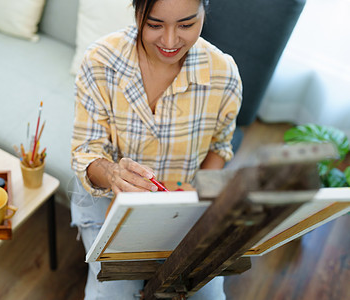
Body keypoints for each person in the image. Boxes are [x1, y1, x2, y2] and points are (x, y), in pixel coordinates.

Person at [70, 0, 242, 298]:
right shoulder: (99, 61)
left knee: (208, 293)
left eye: (187, 25)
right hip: (107, 201)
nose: (171, 41)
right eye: (154, 25)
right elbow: (86, 150)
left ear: (205, 11)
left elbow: (220, 145)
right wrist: (112, 173)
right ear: (136, 10)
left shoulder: (223, 74)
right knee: (113, 292)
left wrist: (198, 191)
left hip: (183, 205)